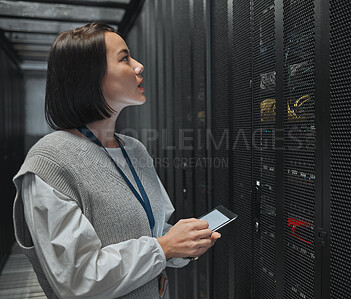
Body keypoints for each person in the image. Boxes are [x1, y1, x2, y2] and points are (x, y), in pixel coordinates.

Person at [12, 22, 220, 299]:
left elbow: (154, 229)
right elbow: (77, 279)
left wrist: (184, 243)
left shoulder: (133, 149)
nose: (139, 65)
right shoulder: (50, 161)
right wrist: (164, 248)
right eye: (125, 58)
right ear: (90, 76)